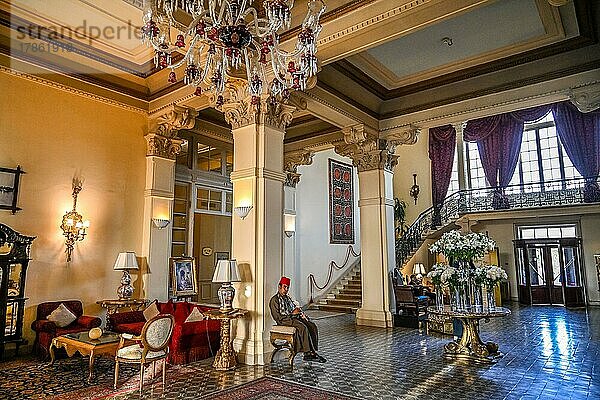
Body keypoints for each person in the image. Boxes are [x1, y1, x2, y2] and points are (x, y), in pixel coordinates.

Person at [269, 276, 326, 363]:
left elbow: (293, 308)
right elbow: (277, 316)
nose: (286, 289)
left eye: (288, 287)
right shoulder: (274, 300)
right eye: (285, 287)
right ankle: (307, 353)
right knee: (302, 327)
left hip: (293, 318)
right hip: (284, 320)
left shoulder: (287, 298)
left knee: (312, 325)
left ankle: (313, 352)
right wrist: (292, 314)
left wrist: (300, 313)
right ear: (279, 286)